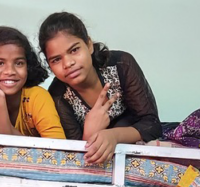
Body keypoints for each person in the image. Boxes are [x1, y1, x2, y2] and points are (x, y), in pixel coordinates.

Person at [39, 12, 161, 164]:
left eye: (74, 50)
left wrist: (113, 136)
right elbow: (74, 155)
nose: (68, 63)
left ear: (89, 45)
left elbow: (152, 123)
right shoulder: (58, 96)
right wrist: (90, 132)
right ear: (49, 65)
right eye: (56, 59)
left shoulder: (121, 65)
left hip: (133, 141)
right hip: (95, 154)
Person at [0, 26, 65, 139]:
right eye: (0, 63)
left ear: (27, 66)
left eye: (19, 63)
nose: (10, 71)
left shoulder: (36, 97)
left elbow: (58, 148)